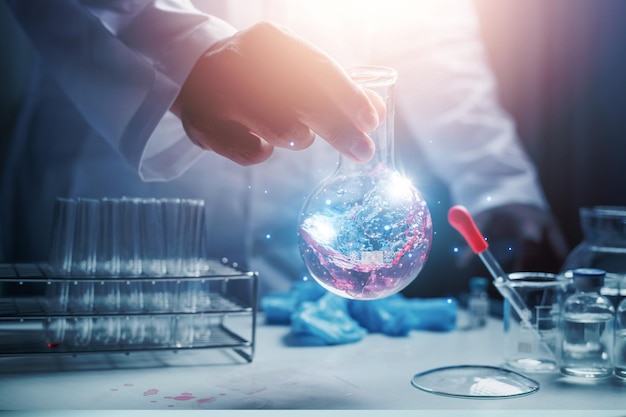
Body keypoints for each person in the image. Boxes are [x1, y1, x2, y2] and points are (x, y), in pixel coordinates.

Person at [0, 0, 567, 300]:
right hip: (116, 163)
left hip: (310, 210)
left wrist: (499, 181)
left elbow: (431, 36)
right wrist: (185, 48)